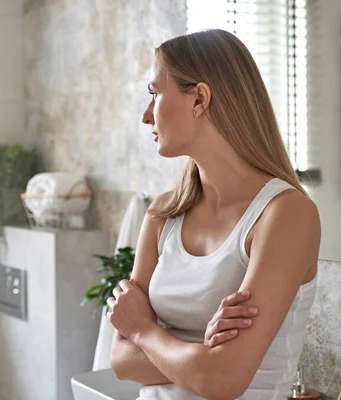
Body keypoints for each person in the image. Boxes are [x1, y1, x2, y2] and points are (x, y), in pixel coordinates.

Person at [107, 29, 320, 400]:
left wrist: (144, 331)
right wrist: (201, 353)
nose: (146, 115)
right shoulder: (162, 215)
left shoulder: (286, 214)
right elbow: (122, 361)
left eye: (155, 93)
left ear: (199, 99)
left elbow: (222, 381)